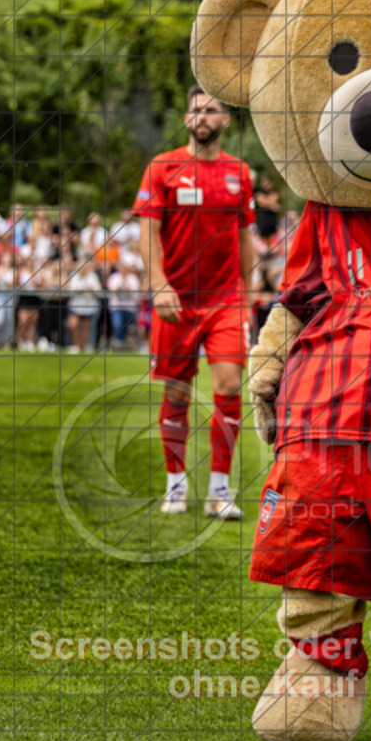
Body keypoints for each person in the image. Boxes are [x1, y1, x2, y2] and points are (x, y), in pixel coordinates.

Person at [134, 85, 255, 519]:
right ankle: (175, 484)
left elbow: (245, 239)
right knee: (177, 393)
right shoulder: (162, 167)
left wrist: (249, 294)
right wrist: (159, 285)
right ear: (187, 119)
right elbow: (147, 232)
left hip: (226, 300)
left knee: (228, 386)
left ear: (225, 121)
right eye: (196, 110)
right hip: (176, 301)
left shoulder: (239, 172)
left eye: (212, 110)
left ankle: (220, 491)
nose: (202, 117)